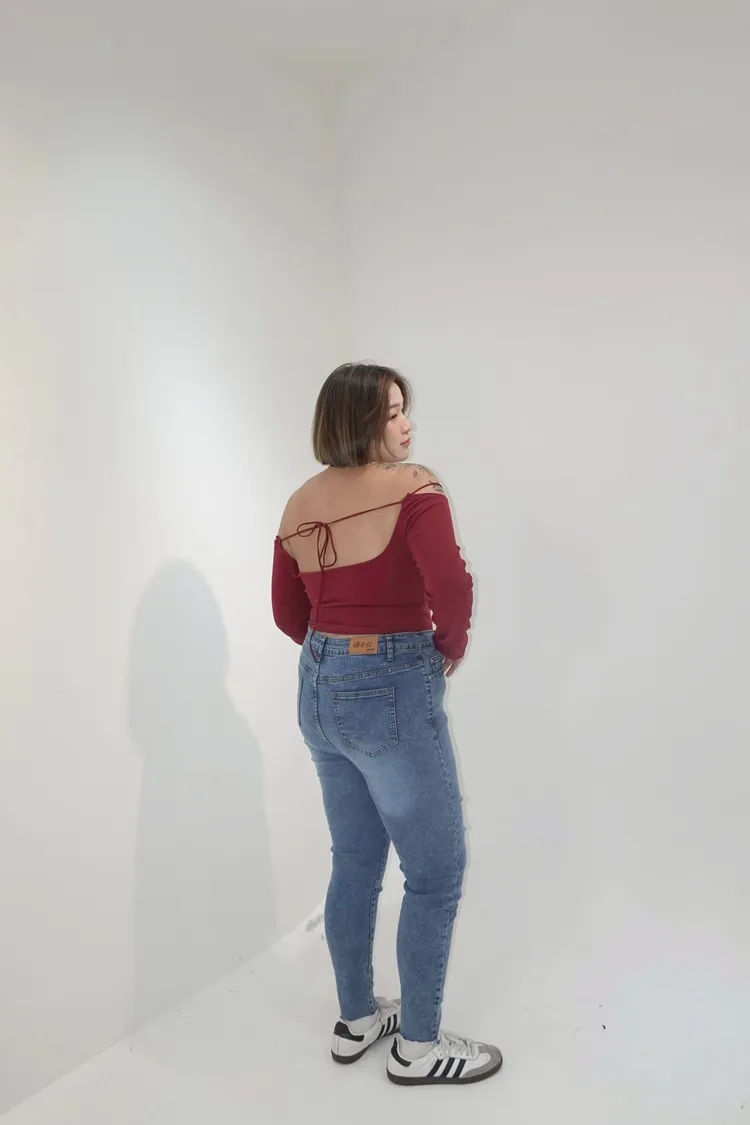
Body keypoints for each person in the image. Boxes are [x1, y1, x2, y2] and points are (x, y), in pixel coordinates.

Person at [271, 362, 502, 1087]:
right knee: (435, 872)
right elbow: (452, 584)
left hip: (317, 690)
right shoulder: (414, 488)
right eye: (394, 411)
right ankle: (420, 1047)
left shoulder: (298, 503)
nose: (407, 424)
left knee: (355, 860)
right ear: (361, 421)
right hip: (390, 684)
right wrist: (449, 646)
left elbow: (286, 613)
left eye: (406, 410)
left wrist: (336, 655)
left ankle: (356, 1020)